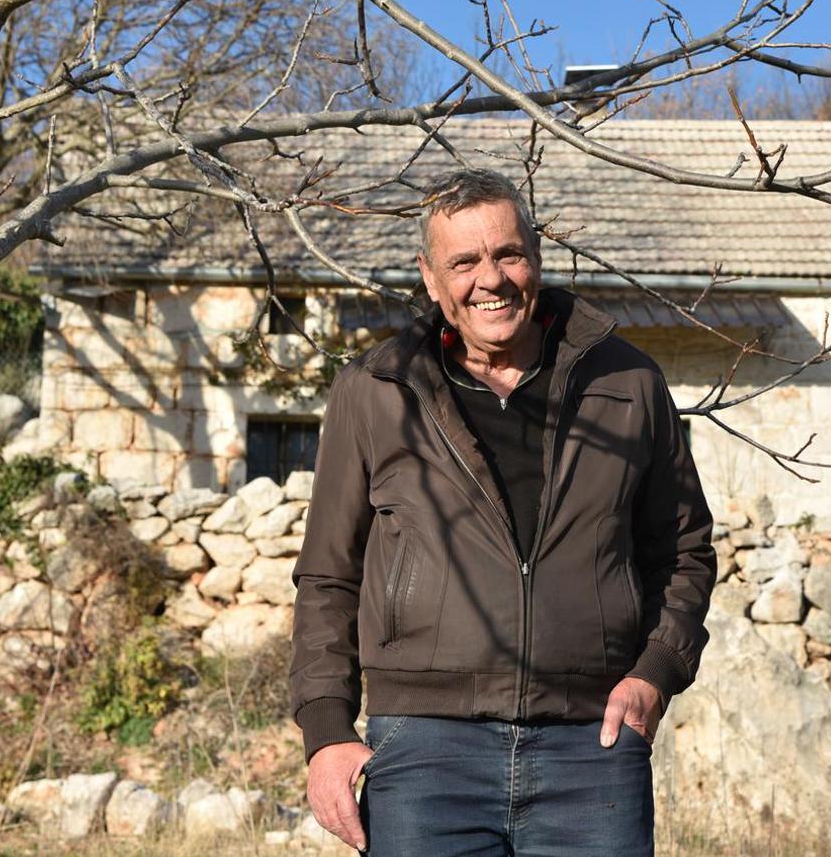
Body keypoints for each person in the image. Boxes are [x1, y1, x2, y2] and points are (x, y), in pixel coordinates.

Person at [290, 167, 716, 855]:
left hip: (592, 749)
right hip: (423, 751)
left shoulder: (627, 383)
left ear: (536, 259)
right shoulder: (376, 390)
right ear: (430, 278)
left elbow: (682, 551)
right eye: (464, 262)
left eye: (508, 254)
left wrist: (655, 673)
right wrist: (326, 732)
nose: (490, 279)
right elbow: (328, 576)